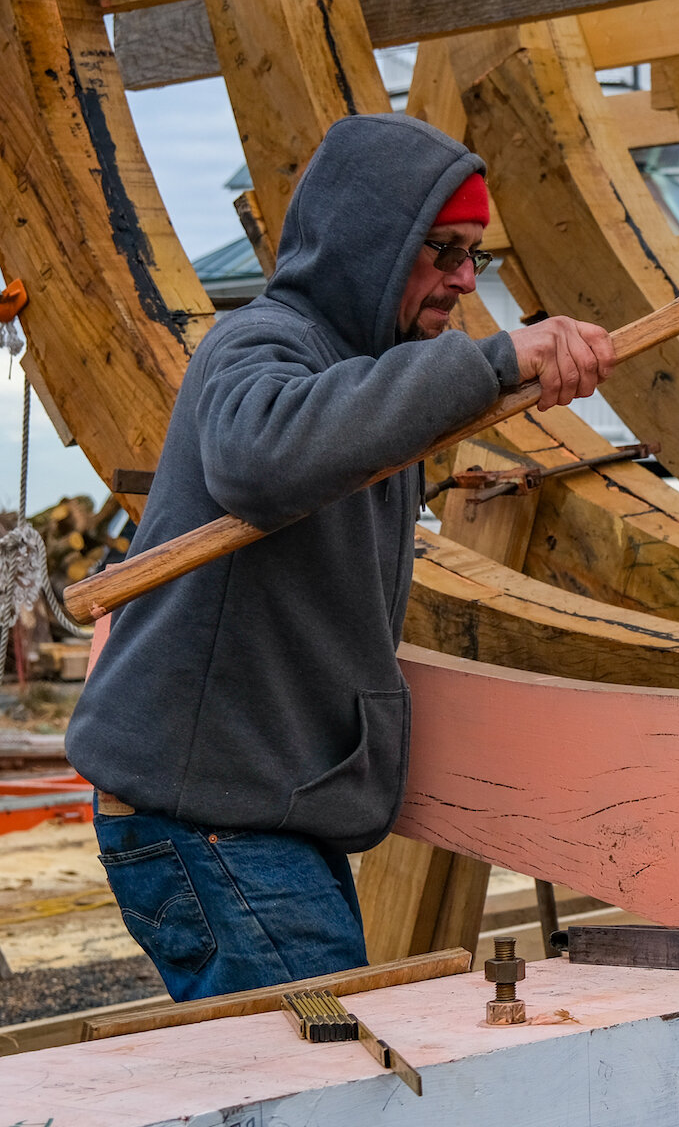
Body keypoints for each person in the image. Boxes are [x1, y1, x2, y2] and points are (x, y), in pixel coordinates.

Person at [67, 113, 615, 1001]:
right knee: (330, 1089)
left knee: (301, 1090)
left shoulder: (373, 377)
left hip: (258, 810)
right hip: (208, 815)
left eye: (477, 254)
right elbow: (259, 456)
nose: (465, 279)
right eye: (441, 250)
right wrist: (498, 357)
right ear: (370, 243)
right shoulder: (261, 343)